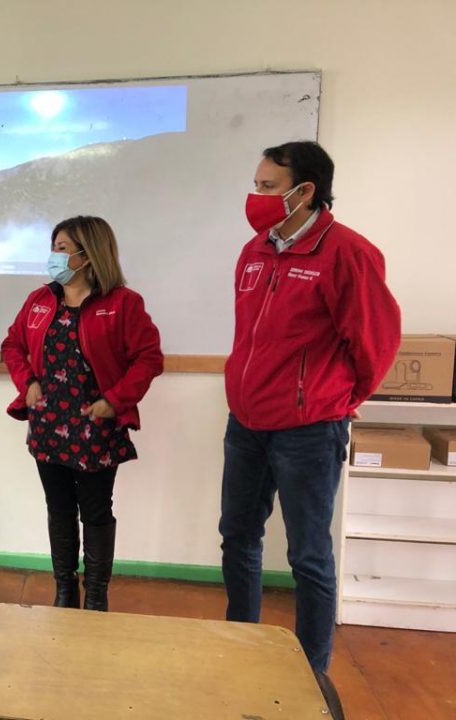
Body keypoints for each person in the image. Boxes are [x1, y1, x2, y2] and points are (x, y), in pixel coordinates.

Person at [220, 141, 401, 676]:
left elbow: (376, 341)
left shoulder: (348, 253)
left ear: (305, 191)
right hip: (246, 423)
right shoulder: (254, 250)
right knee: (237, 538)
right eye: (256, 184)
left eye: (267, 186)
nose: (256, 196)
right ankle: (240, 647)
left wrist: (344, 398)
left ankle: (312, 674)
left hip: (308, 430)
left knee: (308, 557)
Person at [1, 216, 164, 611]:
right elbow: (12, 345)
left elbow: (149, 358)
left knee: (95, 510)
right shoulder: (40, 300)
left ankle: (95, 595)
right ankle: (64, 589)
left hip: (96, 426)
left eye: (62, 248)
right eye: (53, 247)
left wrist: (116, 399)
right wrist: (27, 381)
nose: (54, 256)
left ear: (88, 255)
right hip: (48, 425)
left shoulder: (123, 303)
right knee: (58, 509)